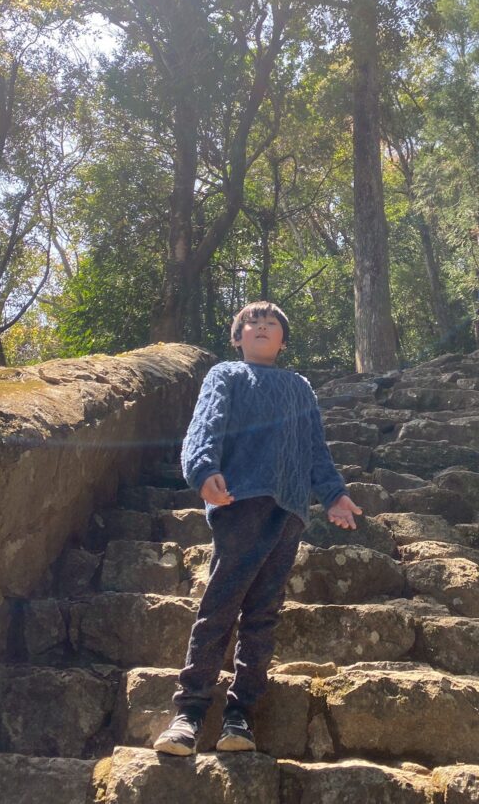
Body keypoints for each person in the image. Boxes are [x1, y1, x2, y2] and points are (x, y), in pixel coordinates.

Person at [153, 301, 362, 757]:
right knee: (221, 602)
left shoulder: (299, 387)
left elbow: (315, 447)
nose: (262, 327)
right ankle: (189, 712)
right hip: (240, 500)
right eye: (252, 323)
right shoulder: (226, 374)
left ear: (283, 341)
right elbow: (206, 424)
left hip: (289, 509)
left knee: (264, 612)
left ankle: (241, 714)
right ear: (237, 337)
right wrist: (203, 469)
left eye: (272, 324)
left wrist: (333, 494)